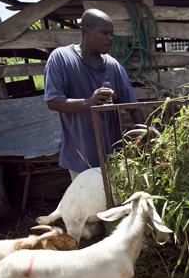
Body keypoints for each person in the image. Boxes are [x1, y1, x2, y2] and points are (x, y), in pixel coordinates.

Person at [44, 9, 144, 179]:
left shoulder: (113, 66)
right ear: (86, 31)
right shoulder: (61, 58)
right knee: (89, 204)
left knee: (115, 203)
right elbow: (53, 101)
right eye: (104, 33)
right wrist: (89, 102)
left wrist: (147, 134)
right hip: (80, 158)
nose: (110, 38)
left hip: (113, 157)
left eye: (111, 34)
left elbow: (133, 107)